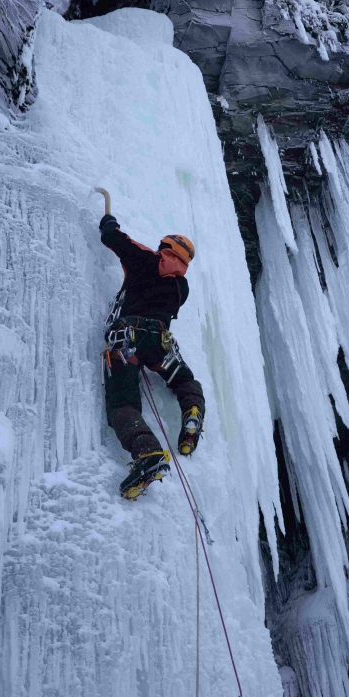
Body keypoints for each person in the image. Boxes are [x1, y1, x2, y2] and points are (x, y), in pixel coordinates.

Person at [99, 210, 205, 500]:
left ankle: (147, 453)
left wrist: (110, 224)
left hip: (128, 336)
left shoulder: (145, 259)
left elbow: (115, 240)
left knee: (122, 402)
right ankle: (192, 412)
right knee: (183, 379)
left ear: (165, 248)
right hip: (160, 342)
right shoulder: (181, 286)